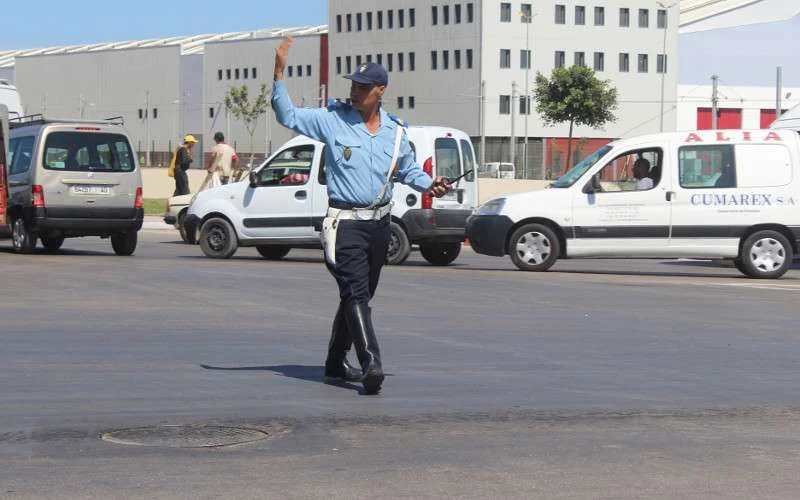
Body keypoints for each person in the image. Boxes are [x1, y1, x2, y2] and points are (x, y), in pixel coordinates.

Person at [271, 36, 451, 394]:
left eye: (363, 87)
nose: (355, 92)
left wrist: (431, 185)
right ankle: (372, 363)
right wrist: (278, 72)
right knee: (354, 291)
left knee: (359, 295)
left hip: (380, 225)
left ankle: (335, 361)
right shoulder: (332, 120)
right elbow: (286, 114)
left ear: (380, 90)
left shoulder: (396, 131)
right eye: (354, 85)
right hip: (344, 224)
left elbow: (408, 170)